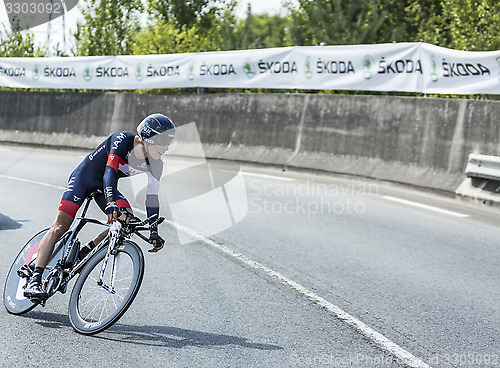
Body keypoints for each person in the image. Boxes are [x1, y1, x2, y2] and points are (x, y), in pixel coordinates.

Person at [24, 113, 175, 300]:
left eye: (170, 142)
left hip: (104, 188)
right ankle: (35, 279)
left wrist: (153, 230)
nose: (166, 148)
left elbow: (152, 197)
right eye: (163, 142)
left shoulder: (156, 164)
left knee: (126, 224)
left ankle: (84, 252)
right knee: (61, 226)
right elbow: (109, 173)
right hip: (85, 179)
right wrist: (111, 201)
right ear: (147, 138)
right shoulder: (123, 139)